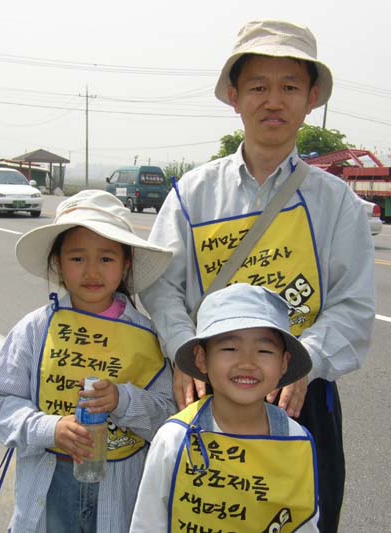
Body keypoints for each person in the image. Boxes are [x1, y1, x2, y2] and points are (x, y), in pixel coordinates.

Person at [140, 19, 375, 533]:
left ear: (311, 97)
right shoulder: (192, 194)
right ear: (233, 96)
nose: (274, 100)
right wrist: (186, 352)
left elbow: (353, 307)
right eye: (258, 87)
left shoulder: (337, 203)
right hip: (206, 393)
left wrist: (302, 364)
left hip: (300, 400)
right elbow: (160, 284)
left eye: (290, 86)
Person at [0, 190, 177, 533]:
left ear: (126, 265)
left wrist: (123, 400)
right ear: (58, 263)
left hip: (120, 489)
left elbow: (169, 415)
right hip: (50, 485)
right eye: (78, 258)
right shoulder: (36, 329)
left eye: (106, 259)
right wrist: (51, 429)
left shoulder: (148, 336)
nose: (92, 271)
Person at [130, 284, 320, 532]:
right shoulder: (175, 438)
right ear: (201, 358)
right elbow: (147, 522)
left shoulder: (296, 441)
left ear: (284, 364)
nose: (247, 363)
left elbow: (303, 523)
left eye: (264, 350)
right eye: (229, 348)